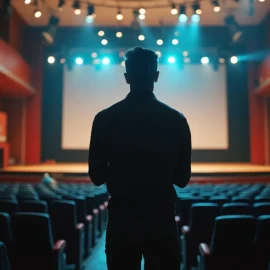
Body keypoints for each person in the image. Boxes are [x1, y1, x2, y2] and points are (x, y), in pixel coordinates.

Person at [88, 47, 191, 270]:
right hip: (162, 220)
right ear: (156, 76)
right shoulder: (177, 120)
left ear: (127, 78)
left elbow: (96, 176)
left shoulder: (104, 118)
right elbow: (182, 179)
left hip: (122, 221)